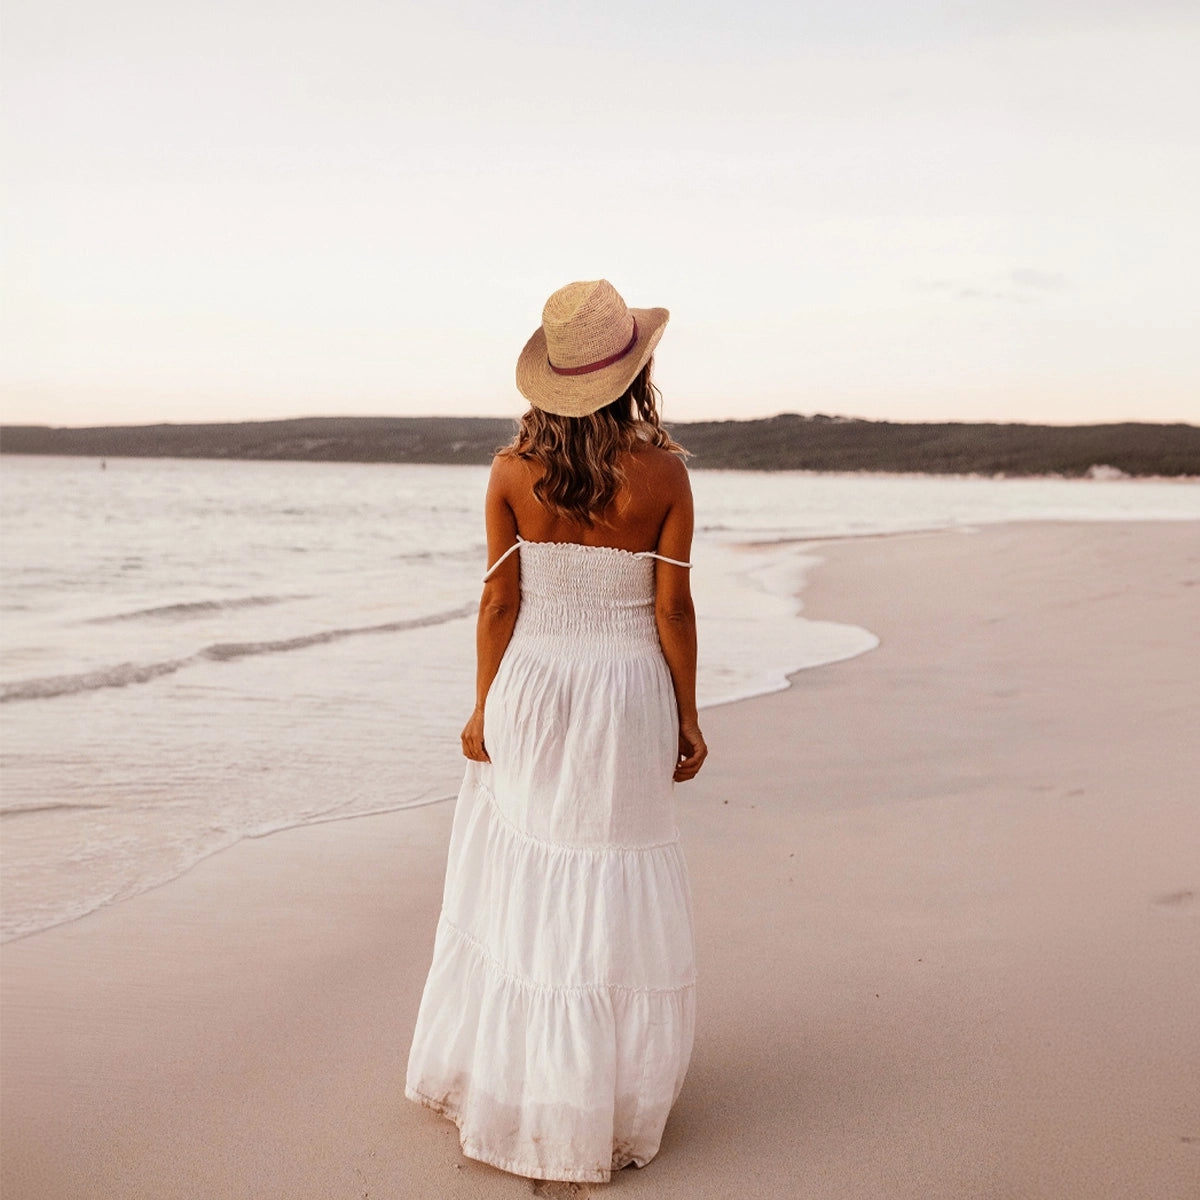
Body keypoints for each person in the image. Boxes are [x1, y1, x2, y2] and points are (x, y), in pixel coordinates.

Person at [405, 278, 707, 1184]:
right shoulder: (665, 475)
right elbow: (676, 609)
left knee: (528, 872)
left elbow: (500, 599)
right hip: (623, 693)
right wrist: (688, 713)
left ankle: (521, 1082)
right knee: (609, 877)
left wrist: (480, 705)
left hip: (531, 687)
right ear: (634, 374)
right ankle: (593, 1096)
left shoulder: (508, 471)